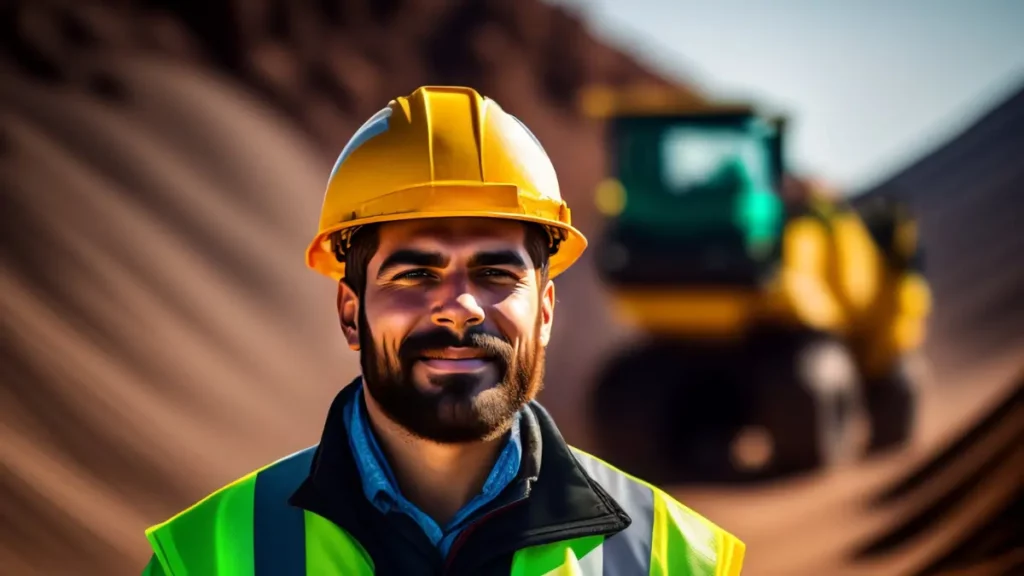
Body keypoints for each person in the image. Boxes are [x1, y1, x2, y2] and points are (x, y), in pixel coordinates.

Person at [141, 86, 746, 575]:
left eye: (495, 271)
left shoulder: (675, 559)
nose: (459, 306)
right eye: (413, 274)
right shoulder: (206, 557)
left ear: (546, 312)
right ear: (351, 312)